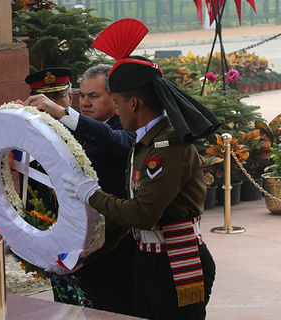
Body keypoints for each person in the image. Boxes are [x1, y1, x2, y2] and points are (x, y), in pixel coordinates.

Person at [60, 18, 219, 319]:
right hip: (150, 261)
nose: (115, 109)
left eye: (116, 102)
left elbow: (142, 214)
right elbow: (131, 220)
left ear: (133, 103)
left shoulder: (168, 146)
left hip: (179, 263)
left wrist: (91, 194)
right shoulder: (147, 143)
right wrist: (90, 251)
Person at [24, 65, 137, 315]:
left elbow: (118, 142)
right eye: (83, 95)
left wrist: (65, 114)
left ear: (115, 98)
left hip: (113, 249)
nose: (85, 103)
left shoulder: (123, 127)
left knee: (113, 311)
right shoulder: (74, 129)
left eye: (93, 96)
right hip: (72, 248)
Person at [19, 67, 74, 215]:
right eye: (43, 97)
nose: (49, 104)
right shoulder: (26, 131)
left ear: (70, 98)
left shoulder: (85, 129)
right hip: (40, 218)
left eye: (57, 96)